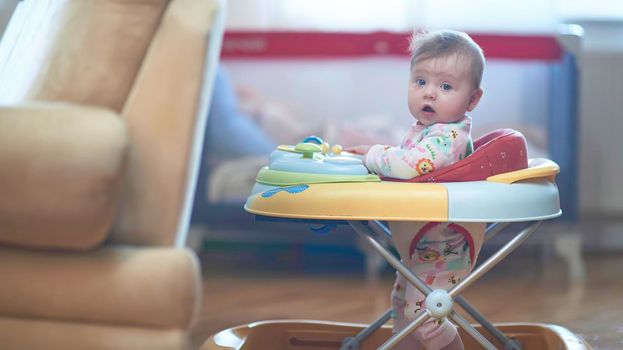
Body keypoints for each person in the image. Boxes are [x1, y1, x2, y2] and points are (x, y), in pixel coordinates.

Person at [346, 30, 485, 350]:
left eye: (446, 86)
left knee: (426, 317)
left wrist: (374, 156)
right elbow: (404, 159)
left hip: (446, 243)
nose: (430, 93)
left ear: (473, 99)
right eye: (420, 81)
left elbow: (411, 166)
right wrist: (376, 151)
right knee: (404, 309)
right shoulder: (428, 131)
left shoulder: (449, 137)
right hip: (421, 240)